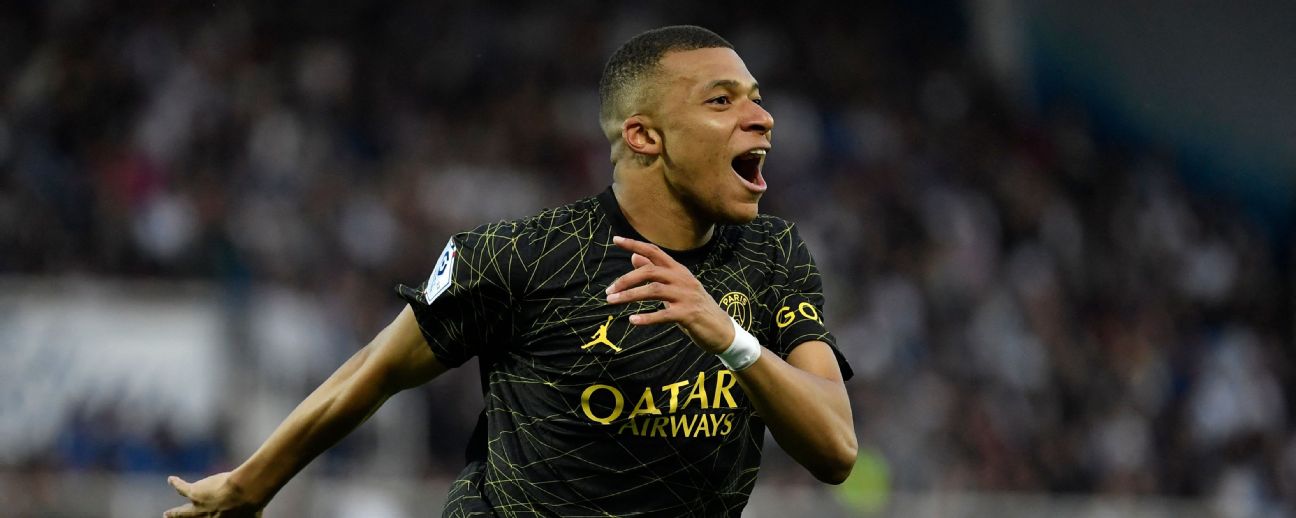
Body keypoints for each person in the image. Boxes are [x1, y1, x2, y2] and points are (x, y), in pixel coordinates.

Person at [164, 25, 856, 517]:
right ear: (644, 136)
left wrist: (726, 335)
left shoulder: (773, 256)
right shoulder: (517, 255)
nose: (761, 118)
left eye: (756, 97)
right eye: (721, 100)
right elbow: (373, 371)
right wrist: (253, 485)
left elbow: (835, 449)